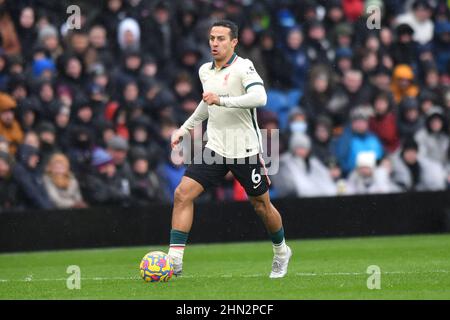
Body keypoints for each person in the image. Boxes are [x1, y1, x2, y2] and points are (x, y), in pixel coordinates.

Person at [168, 20, 292, 278]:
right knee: (182, 194)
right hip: (215, 146)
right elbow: (206, 104)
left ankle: (281, 251)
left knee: (262, 206)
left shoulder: (244, 67)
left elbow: (260, 98)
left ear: (234, 42)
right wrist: (185, 128)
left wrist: (222, 101)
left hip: (245, 148)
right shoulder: (205, 71)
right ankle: (174, 261)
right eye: (212, 38)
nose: (214, 43)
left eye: (221, 39)